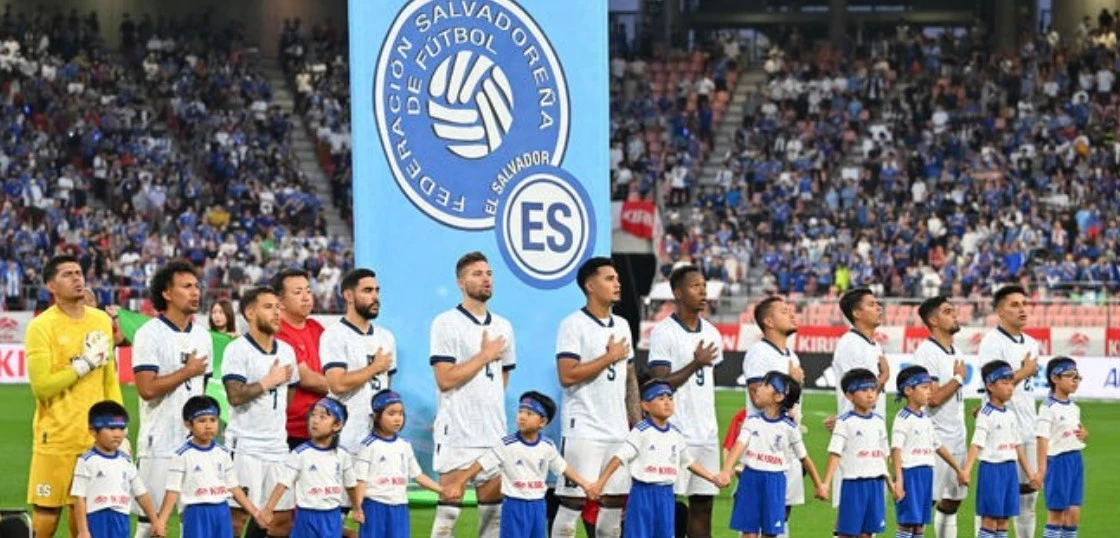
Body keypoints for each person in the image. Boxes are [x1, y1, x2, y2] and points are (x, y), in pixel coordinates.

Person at [26, 255, 123, 538]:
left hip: (93, 437)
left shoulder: (100, 321)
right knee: (46, 512)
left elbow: (109, 379)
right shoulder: (41, 327)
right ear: (51, 285)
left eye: (79, 273)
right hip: (55, 437)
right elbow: (42, 387)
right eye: (68, 274)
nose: (77, 278)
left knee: (83, 511)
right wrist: (82, 365)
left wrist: (119, 427)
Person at [429, 252, 516, 538]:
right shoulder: (446, 322)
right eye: (477, 274)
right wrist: (484, 355)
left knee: (493, 519)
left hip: (493, 433)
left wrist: (485, 403)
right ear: (461, 282)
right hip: (457, 433)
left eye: (489, 273)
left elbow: (503, 376)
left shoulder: (503, 326)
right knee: (445, 522)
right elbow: (444, 379)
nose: (486, 278)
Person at [552, 257, 638, 538]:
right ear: (590, 286)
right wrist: (608, 357)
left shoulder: (623, 325)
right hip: (583, 428)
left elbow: (629, 378)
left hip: (617, 429)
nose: (618, 283)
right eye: (609, 279)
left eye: (617, 278)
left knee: (614, 501)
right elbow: (567, 375)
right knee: (573, 501)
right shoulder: (573, 325)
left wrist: (636, 425)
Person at [131, 260, 213, 538]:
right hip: (159, 444)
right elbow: (147, 389)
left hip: (195, 446)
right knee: (150, 525)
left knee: (195, 521)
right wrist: (187, 371)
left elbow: (201, 392)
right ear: (167, 293)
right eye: (186, 286)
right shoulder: (149, 334)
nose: (195, 292)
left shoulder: (203, 337)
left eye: (196, 287)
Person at [446, 392, 599, 538]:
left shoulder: (547, 446)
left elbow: (563, 468)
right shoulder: (506, 445)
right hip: (514, 505)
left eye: (529, 414)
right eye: (521, 411)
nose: (522, 417)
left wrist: (585, 485)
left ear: (543, 422)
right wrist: (460, 483)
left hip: (538, 505)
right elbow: (481, 463)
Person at [592, 379, 727, 538]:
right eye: (661, 399)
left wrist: (712, 478)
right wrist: (600, 483)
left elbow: (689, 461)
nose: (667, 403)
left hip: (666, 494)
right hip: (643, 494)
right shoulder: (641, 431)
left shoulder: (676, 434)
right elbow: (619, 457)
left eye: (670, 398)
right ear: (645, 405)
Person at [646, 264, 722, 538]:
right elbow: (660, 383)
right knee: (668, 506)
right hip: (675, 433)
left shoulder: (712, 332)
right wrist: (695, 363)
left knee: (703, 506)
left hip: (707, 433)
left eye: (704, 285)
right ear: (677, 293)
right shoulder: (664, 332)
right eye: (695, 286)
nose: (702, 291)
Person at [220, 286, 300, 538]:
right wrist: (268, 381)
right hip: (245, 446)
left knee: (281, 520)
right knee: (236, 519)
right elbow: (235, 396)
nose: (277, 312)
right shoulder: (237, 350)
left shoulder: (287, 351)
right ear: (250, 313)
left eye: (278, 307)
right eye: (269, 307)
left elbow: (291, 392)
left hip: (276, 446)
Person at [719, 372, 827, 538]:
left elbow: (804, 458)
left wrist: (819, 485)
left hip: (775, 483)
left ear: (777, 397)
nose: (758, 388)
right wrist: (726, 470)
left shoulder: (789, 429)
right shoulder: (752, 421)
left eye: (765, 385)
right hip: (750, 480)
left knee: (770, 533)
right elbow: (739, 445)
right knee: (748, 533)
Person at [977, 285, 1042, 538]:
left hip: (1028, 426)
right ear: (1000, 311)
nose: (1022, 309)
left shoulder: (1033, 343)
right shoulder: (992, 343)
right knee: (994, 503)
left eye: (1024, 303)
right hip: (1000, 430)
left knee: (1028, 494)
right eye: (1015, 305)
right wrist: (1024, 371)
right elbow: (992, 384)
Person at [740, 296, 805, 537]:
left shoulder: (791, 355)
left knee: (782, 512)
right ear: (768, 321)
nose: (792, 313)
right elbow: (758, 398)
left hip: (785, 441)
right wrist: (794, 383)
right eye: (784, 311)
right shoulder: (759, 353)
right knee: (758, 518)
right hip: (764, 444)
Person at [156, 395, 263, 538]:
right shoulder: (181, 455)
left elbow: (234, 487)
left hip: (221, 512)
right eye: (202, 421)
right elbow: (172, 491)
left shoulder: (223, 453)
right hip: (196, 514)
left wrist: (255, 512)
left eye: (213, 420)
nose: (208, 426)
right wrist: (161, 521)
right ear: (188, 424)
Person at [259, 397, 361, 538]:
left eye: (323, 417)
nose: (315, 420)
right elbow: (283, 483)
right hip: (306, 517)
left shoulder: (342, 455)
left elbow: (351, 485)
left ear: (337, 426)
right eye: (313, 415)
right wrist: (269, 509)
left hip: (332, 517)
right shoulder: (300, 454)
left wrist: (357, 508)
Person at [910, 295, 969, 538]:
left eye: (954, 310)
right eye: (948, 311)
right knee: (926, 503)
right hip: (934, 439)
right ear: (933, 320)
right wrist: (957, 379)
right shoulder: (926, 352)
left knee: (953, 501)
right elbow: (931, 398)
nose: (955, 315)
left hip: (957, 435)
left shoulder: (957, 351)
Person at [322, 268, 396, 456]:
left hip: (379, 440)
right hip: (347, 440)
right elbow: (337, 384)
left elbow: (387, 388)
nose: (375, 297)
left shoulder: (386, 337)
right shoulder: (334, 335)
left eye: (377, 291)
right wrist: (374, 368)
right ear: (349, 295)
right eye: (368, 291)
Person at [961, 361, 1038, 538]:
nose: (1010, 387)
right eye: (1004, 383)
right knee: (990, 520)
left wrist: (1030, 473)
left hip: (1010, 470)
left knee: (1004, 521)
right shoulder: (985, 414)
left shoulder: (1010, 415)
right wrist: (967, 470)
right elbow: (976, 443)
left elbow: (1017, 445)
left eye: (1011, 382)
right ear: (989, 386)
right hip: (992, 469)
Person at [891, 366, 967, 538]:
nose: (930, 391)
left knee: (919, 525)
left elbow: (938, 446)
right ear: (908, 390)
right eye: (924, 387)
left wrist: (958, 470)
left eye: (930, 386)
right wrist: (899, 480)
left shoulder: (925, 419)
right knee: (906, 524)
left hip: (926, 474)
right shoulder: (903, 418)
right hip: (910, 474)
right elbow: (896, 449)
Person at [821, 368, 898, 538]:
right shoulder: (844, 422)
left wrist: (891, 484)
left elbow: (882, 457)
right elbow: (835, 454)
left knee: (867, 534)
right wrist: (825, 483)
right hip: (854, 485)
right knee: (847, 533)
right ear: (849, 396)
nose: (871, 394)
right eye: (864, 390)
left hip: (876, 486)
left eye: (873, 389)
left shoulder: (879, 422)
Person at [355, 390, 443, 538]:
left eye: (400, 414)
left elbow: (418, 475)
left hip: (400, 507)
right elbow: (361, 481)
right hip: (374, 506)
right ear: (377, 417)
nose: (397, 419)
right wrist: (357, 507)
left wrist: (442, 490)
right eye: (391, 414)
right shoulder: (368, 446)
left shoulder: (404, 445)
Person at [71, 401, 164, 538]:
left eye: (121, 429)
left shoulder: (126, 461)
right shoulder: (86, 461)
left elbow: (141, 493)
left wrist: (155, 521)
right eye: (111, 428)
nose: (117, 434)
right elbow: (79, 498)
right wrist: (83, 531)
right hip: (96, 519)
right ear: (93, 430)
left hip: (121, 519)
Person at [272, 268, 329, 449]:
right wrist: (342, 387)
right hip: (292, 431)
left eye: (308, 291)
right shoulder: (278, 332)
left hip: (323, 427)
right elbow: (306, 378)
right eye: (298, 293)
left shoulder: (316, 328)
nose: (306, 297)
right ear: (280, 302)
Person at [1036, 357, 1087, 538]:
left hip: (1075, 461)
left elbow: (1074, 429)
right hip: (1058, 463)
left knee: (1073, 516)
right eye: (1070, 376)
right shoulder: (1047, 408)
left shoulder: (1074, 407)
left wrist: (1083, 434)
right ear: (1055, 378)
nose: (1075, 380)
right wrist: (1042, 470)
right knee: (1056, 516)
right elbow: (1041, 438)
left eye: (1077, 376)